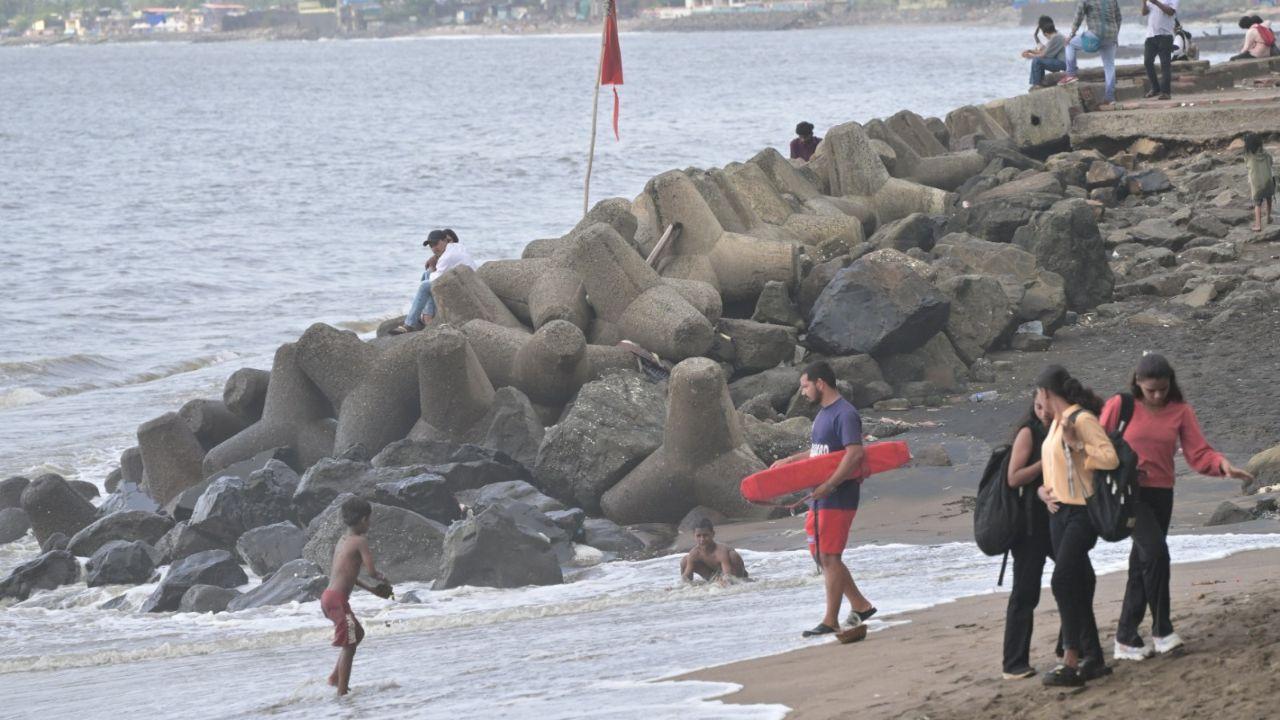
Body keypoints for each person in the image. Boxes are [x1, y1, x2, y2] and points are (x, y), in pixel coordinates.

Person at [1099, 354, 1255, 661]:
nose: (1157, 395)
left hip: (1162, 495)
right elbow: (1096, 444)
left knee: (1143, 564)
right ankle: (1163, 631)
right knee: (1157, 553)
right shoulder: (1122, 405)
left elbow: (1199, 452)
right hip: (1129, 494)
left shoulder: (1180, 411)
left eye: (1163, 389)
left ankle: (1126, 637)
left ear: (1170, 384)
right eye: (1151, 390)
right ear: (1138, 383)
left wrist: (1222, 465)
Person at [770, 361, 876, 637]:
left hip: (838, 496)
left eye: (804, 386)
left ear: (820, 383)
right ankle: (860, 605)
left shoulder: (845, 414)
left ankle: (831, 620)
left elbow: (855, 453)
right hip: (820, 496)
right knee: (821, 554)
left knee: (829, 555)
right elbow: (820, 452)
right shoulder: (824, 414)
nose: (802, 392)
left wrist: (829, 485)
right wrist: (790, 460)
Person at [1034, 365, 1118, 688]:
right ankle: (1093, 659)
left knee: (1062, 580)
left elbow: (1109, 458)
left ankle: (1070, 658)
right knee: (1078, 584)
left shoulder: (1080, 420)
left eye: (1038, 394)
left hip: (1082, 513)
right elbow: (1053, 468)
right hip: (1058, 514)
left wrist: (1077, 444)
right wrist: (1043, 492)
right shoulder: (1055, 423)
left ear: (1046, 392)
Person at [1001, 394, 1054, 680]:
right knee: (1025, 593)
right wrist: (1046, 462)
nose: (1043, 412)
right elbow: (1014, 477)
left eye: (1048, 406)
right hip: (1029, 526)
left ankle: (1070, 647)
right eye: (1038, 407)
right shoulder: (1028, 432)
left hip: (1057, 519)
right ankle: (1014, 663)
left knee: (1078, 577)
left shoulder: (1061, 428)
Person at [321, 497, 393, 696]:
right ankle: (341, 692)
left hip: (329, 598)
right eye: (369, 520)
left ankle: (336, 677)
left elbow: (346, 575)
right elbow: (371, 571)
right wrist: (381, 578)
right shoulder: (360, 541)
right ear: (363, 520)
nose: (369, 524)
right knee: (350, 644)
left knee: (357, 634)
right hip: (337, 601)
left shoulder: (342, 541)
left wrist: (371, 590)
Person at [390, 228, 478, 335]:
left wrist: (432, 265)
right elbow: (436, 273)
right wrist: (434, 259)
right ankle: (427, 316)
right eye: (431, 246)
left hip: (465, 289)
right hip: (467, 282)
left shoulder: (447, 257)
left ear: (445, 241)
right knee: (426, 274)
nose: (434, 248)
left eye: (436, 243)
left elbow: (436, 281)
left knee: (425, 285)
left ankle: (410, 324)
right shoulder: (457, 247)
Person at [1057, 0, 1123, 105]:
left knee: (1070, 44)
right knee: (1109, 66)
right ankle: (1110, 97)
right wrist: (1116, 36)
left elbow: (1078, 17)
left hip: (1095, 35)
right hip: (1111, 36)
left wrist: (1071, 35)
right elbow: (1119, 17)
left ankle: (1070, 74)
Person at [680, 518, 748, 584]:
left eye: (705, 535)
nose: (702, 539)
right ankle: (714, 582)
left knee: (733, 555)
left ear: (713, 534)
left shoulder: (721, 551)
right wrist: (677, 588)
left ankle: (738, 583)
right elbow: (686, 577)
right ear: (694, 536)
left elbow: (728, 575)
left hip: (734, 574)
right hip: (713, 577)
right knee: (684, 561)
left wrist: (725, 581)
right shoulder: (694, 553)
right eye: (698, 536)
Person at [1141, 0, 1179, 100]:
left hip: (1165, 35)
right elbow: (1144, 13)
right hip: (1151, 35)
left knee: (1165, 64)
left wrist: (1156, 2)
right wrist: (1144, 2)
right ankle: (1155, 88)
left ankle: (1166, 92)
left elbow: (1171, 12)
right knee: (1147, 62)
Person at [1023, 16, 1068, 91]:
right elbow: (1044, 50)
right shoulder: (1056, 35)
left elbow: (1044, 54)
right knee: (1038, 59)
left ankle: (1036, 84)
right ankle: (1039, 83)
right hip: (1061, 62)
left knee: (1037, 60)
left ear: (1045, 33)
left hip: (1063, 63)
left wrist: (1030, 56)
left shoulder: (1056, 38)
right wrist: (1030, 50)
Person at [1242, 132, 1275, 232]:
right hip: (1268, 181)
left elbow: (1247, 165)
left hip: (1257, 185)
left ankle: (1258, 225)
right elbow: (1271, 161)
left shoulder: (1248, 156)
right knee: (1269, 199)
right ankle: (1268, 217)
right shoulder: (1266, 154)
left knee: (1257, 204)